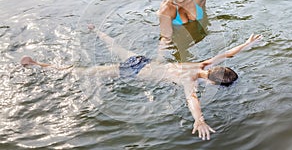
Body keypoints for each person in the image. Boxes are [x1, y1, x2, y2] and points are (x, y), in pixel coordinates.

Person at [21, 26, 262, 141]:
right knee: (83, 73)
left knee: (114, 46)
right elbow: (192, 100)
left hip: (141, 61)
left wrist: (247, 43)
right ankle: (38, 66)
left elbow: (227, 55)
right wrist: (199, 119)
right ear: (212, 83)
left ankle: (97, 32)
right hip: (134, 74)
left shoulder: (202, 65)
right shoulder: (191, 81)